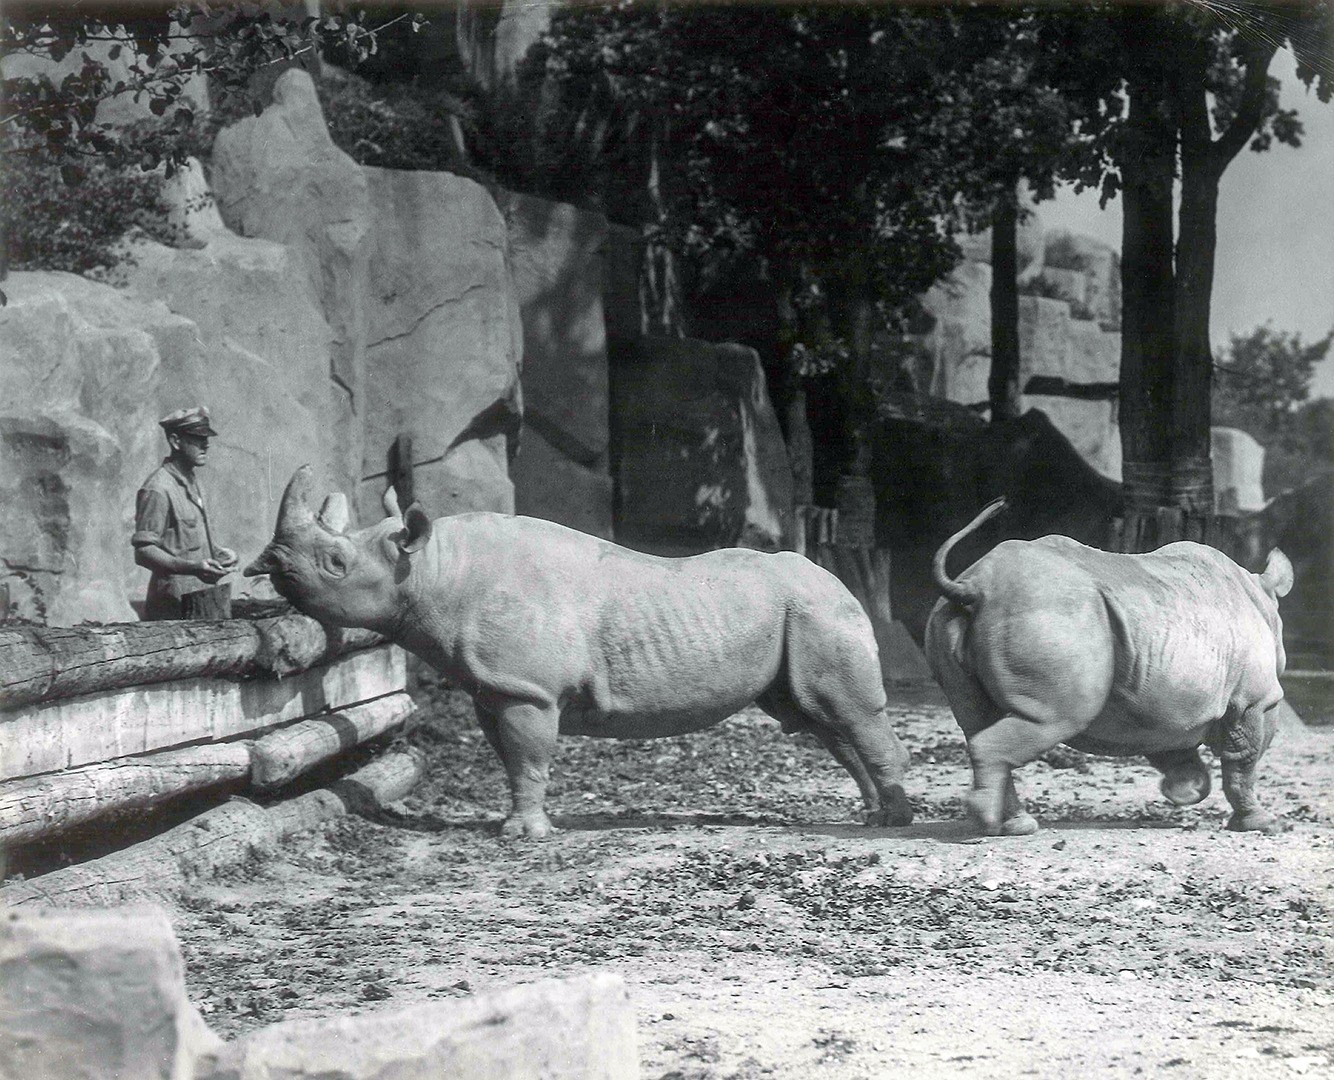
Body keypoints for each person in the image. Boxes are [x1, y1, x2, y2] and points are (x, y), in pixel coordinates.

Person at [132, 406, 238, 620]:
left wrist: (218, 554)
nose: (205, 445)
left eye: (206, 438)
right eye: (197, 439)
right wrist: (193, 567)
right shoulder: (158, 488)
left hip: (202, 601)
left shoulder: (192, 482)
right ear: (175, 442)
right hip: (172, 606)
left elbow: (185, 542)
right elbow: (143, 551)